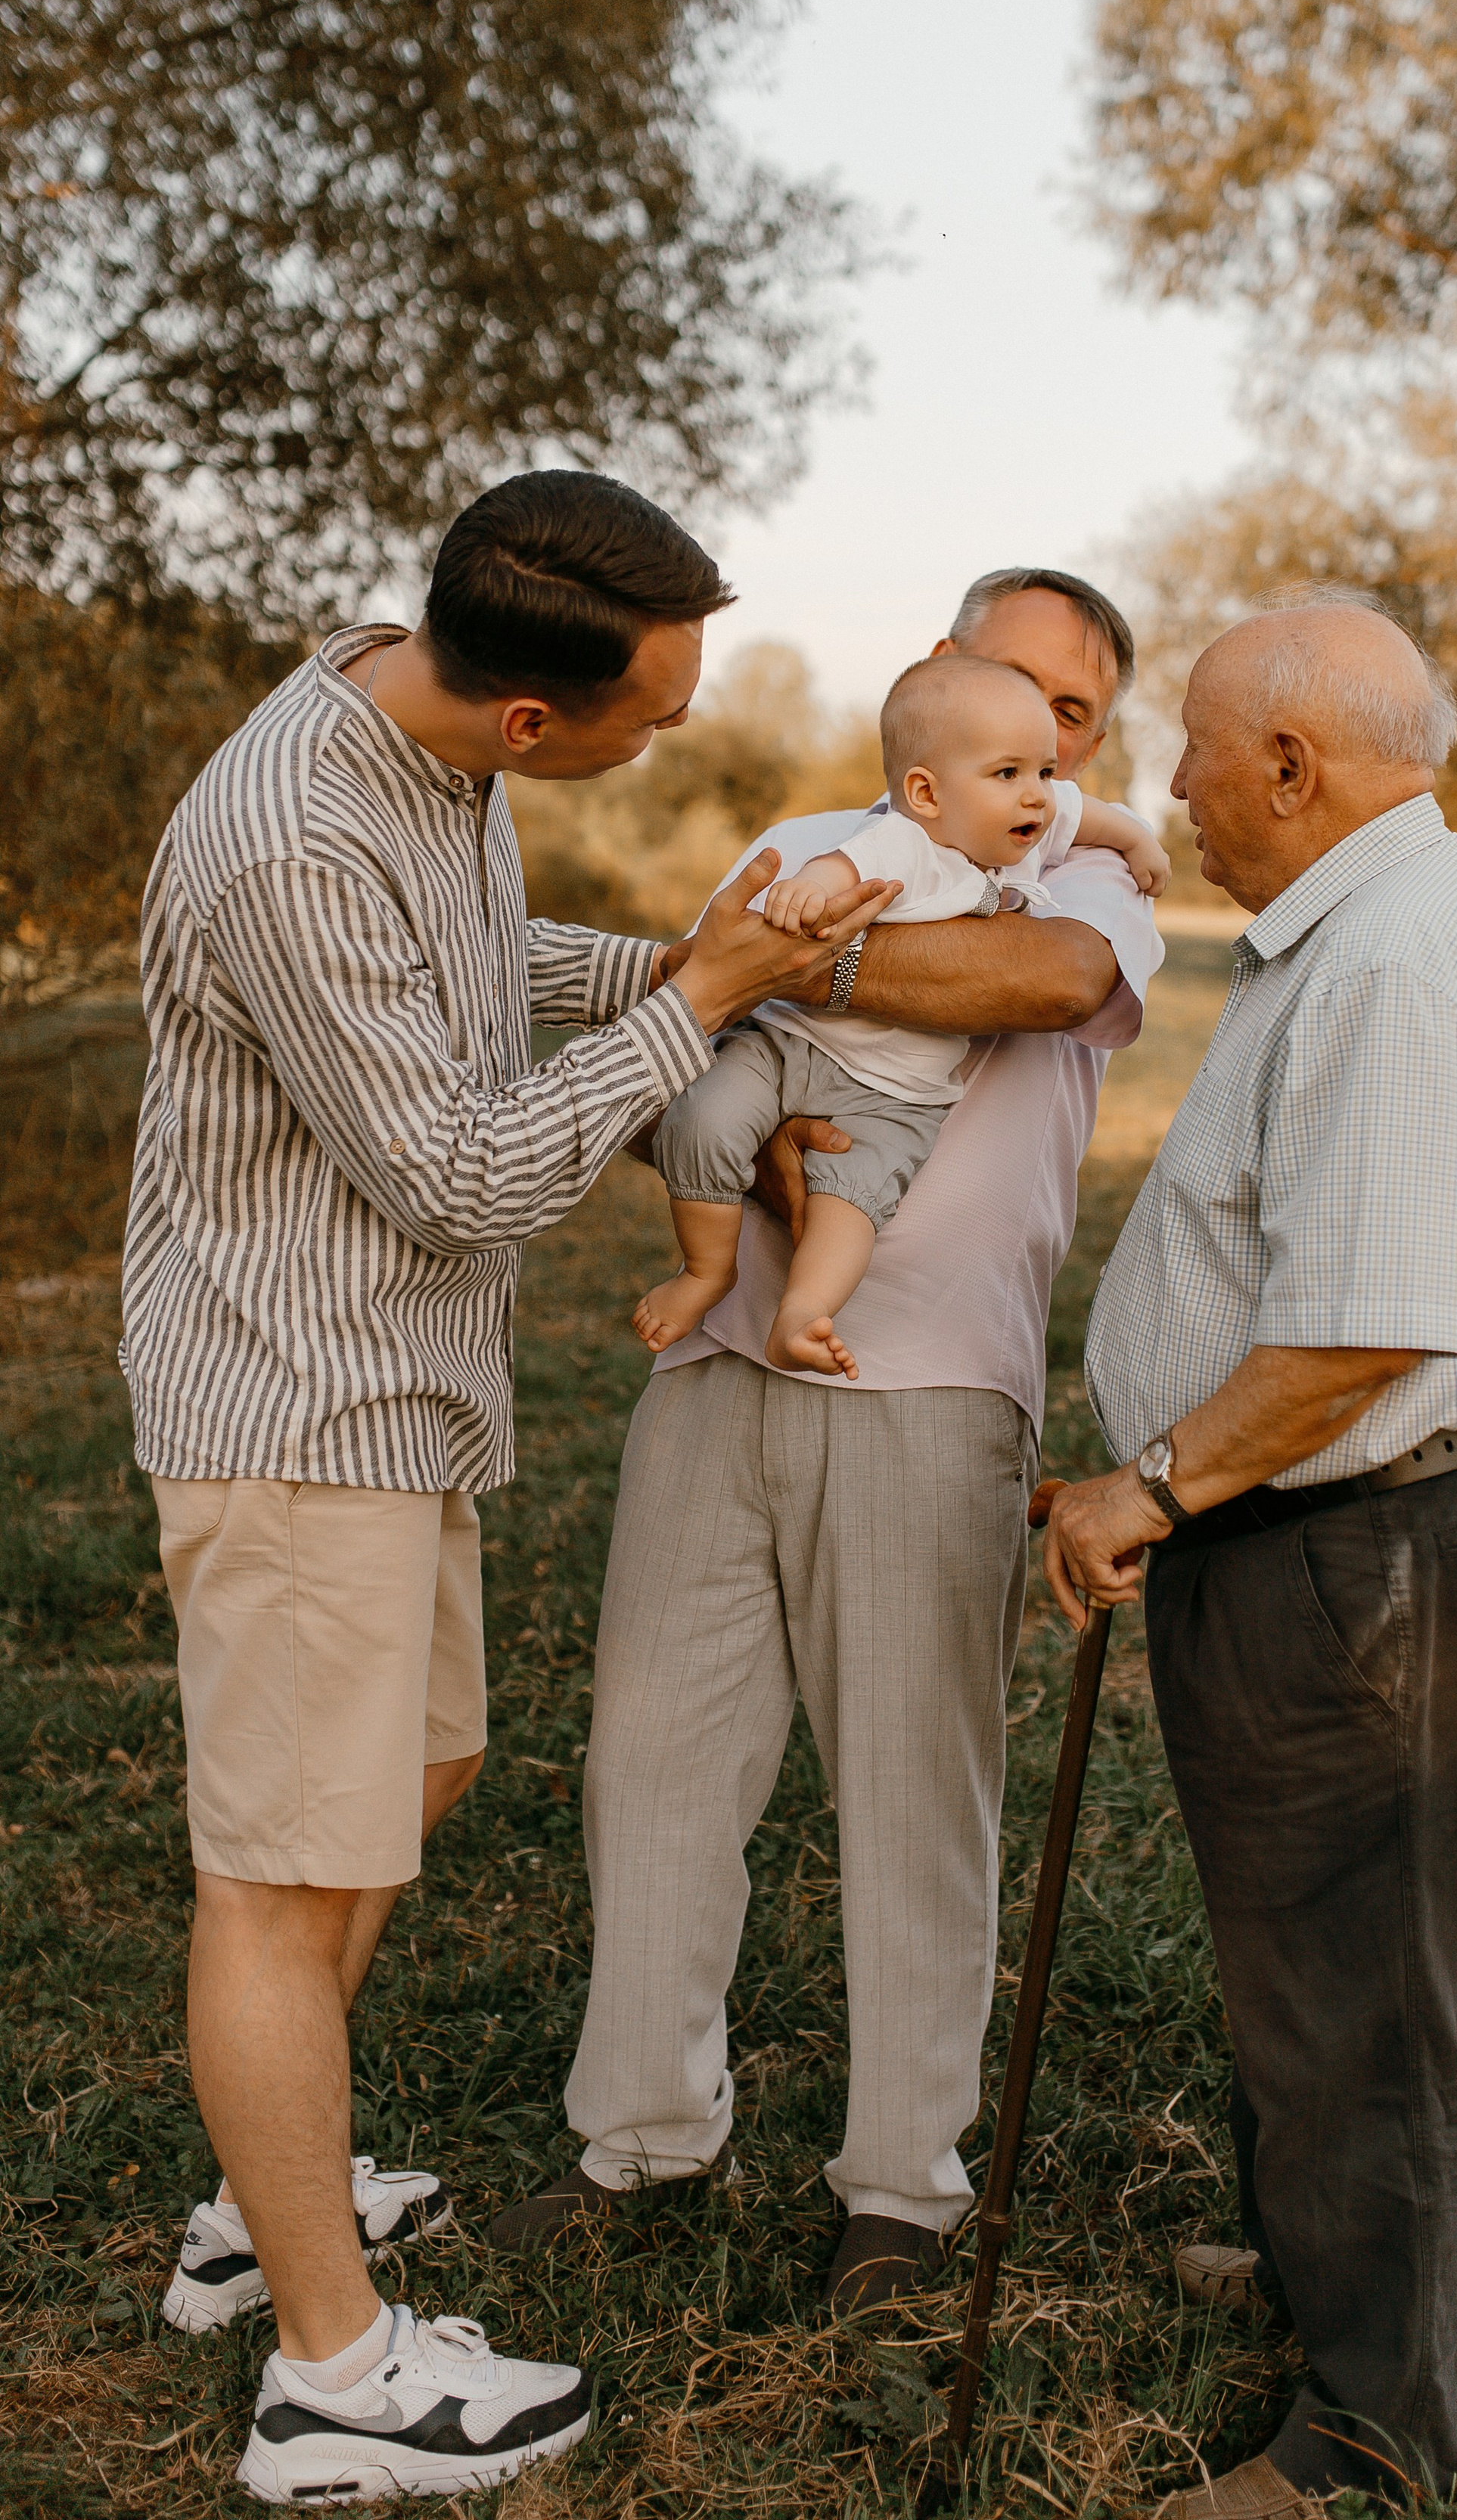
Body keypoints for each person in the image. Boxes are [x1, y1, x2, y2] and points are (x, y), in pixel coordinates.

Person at [123, 470, 890, 2506]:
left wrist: (692, 950)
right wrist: (703, 1009)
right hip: (292, 1406)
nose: (672, 730)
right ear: (529, 716)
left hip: (388, 1397)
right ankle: (328, 2381)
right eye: (653, 713)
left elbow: (478, 961)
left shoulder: (427, 745)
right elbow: (463, 1170)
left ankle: (254, 2210)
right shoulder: (292, 830)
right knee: (286, 1882)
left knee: (404, 1792)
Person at [487, 568, 1163, 2314]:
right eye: (1000, 691)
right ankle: (634, 2134)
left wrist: (805, 950)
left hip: (931, 1386)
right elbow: (684, 1047)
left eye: (1069, 715)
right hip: (719, 1365)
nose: (1034, 740)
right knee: (649, 1763)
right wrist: (744, 1069)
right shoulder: (821, 824)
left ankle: (902, 2187)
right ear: (929, 689)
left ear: (1095, 741)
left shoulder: (1086, 877)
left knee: (908, 1790)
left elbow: (1028, 975)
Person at [1045, 591, 1457, 2516]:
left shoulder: (1395, 956)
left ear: (1290, 761)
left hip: (1360, 1549)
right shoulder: (1364, 921)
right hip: (1324, 1539)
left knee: (1377, 1991)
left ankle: (1371, 2439)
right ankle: (1327, 2270)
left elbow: (1364, 1320)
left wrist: (1151, 1484)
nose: (1168, 785)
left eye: (1186, 750)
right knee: (1309, 1957)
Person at [636, 651, 1167, 1377]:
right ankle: (705, 1270)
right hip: (792, 1046)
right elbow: (839, 870)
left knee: (850, 1205)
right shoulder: (907, 842)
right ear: (925, 791)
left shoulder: (1030, 820)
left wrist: (1139, 842)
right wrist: (808, 893)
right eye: (1010, 773)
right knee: (706, 1118)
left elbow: (1088, 814)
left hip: (899, 1092)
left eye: (1046, 771)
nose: (1038, 797)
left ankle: (803, 1313)